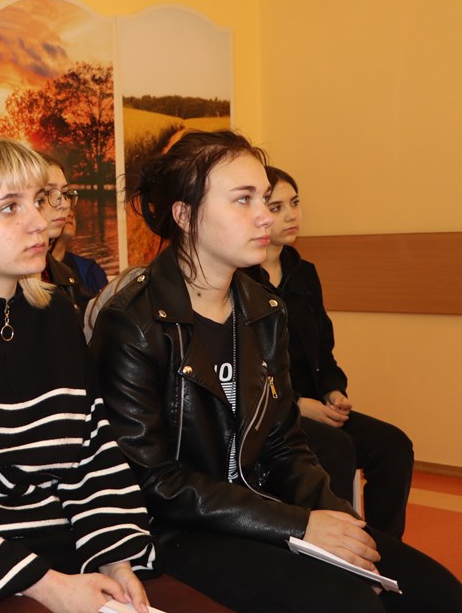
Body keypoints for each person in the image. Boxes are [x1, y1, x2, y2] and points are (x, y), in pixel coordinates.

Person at [89, 130, 462, 612]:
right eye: (243, 200)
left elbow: (285, 442)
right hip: (177, 528)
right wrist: (299, 525)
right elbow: (154, 481)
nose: (265, 215)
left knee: (439, 593)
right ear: (184, 215)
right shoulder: (133, 322)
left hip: (262, 508)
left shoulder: (264, 309)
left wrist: (335, 519)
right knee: (349, 603)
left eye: (263, 199)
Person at [0, 136, 231, 613]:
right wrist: (43, 583)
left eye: (38, 201)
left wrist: (117, 558)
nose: (38, 221)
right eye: (9, 207)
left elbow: (93, 452)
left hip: (63, 549)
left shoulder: (55, 312)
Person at [245, 166, 414, 537]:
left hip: (317, 405)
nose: (291, 215)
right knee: (336, 448)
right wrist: (297, 405)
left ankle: (383, 547)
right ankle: (336, 550)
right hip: (271, 413)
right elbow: (246, 370)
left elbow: (323, 351)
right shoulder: (239, 280)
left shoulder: (304, 273)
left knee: (394, 446)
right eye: (277, 207)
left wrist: (334, 391)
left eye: (295, 203)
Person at [42, 160, 93, 313]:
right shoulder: (8, 276)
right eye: (48, 192)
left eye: (65, 194)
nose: (65, 205)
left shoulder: (66, 275)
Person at [52, 209, 109, 297]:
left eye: (73, 212)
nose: (71, 214)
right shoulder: (33, 270)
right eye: (61, 209)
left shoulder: (90, 270)